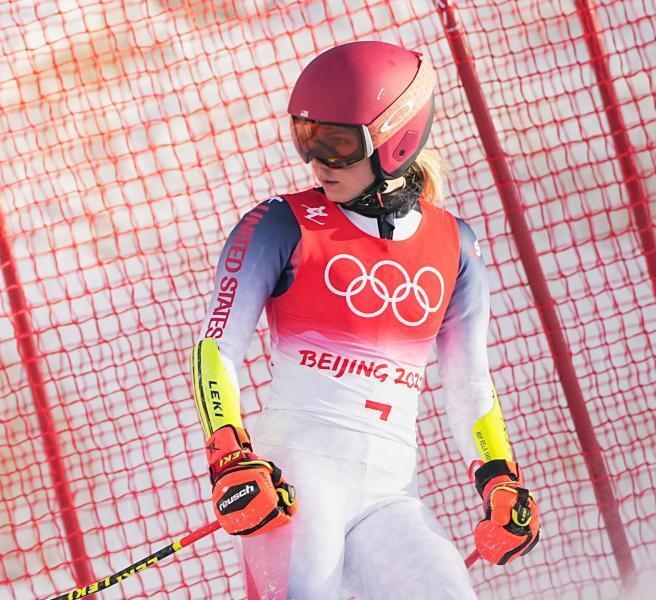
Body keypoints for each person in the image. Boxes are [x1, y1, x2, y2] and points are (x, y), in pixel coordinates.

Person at [190, 40, 540, 600]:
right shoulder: (280, 224)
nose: (316, 163)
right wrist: (229, 456)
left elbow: (470, 385)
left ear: (395, 139)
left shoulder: (456, 246)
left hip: (389, 495)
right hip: (295, 489)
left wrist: (499, 478)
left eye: (337, 144)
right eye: (307, 140)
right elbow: (217, 349)